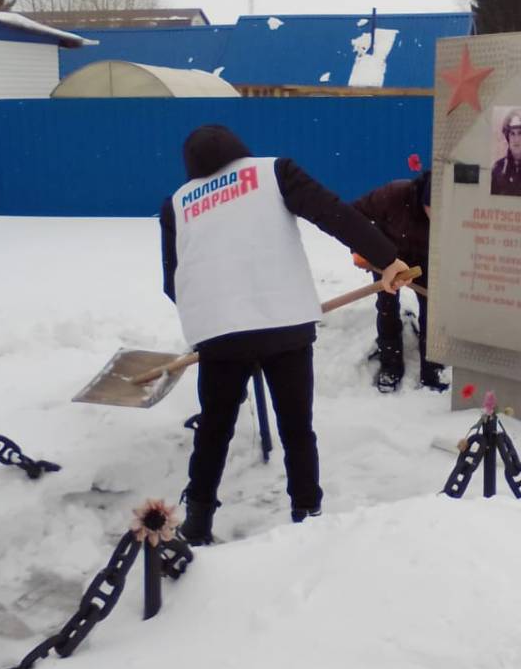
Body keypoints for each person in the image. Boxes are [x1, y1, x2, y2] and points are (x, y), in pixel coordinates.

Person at [160, 125, 409, 545]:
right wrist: (386, 259)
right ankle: (307, 512)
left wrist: (220, 310)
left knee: (214, 429)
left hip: (219, 333)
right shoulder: (274, 172)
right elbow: (333, 213)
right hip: (284, 322)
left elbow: (173, 282)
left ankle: (198, 521)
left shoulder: (177, 205)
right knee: (296, 425)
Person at [352, 164, 446, 393]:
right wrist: (364, 251)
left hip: (425, 261)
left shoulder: (451, 211)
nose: (437, 215)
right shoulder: (394, 195)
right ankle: (390, 364)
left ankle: (432, 368)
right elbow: (352, 217)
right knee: (386, 306)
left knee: (432, 310)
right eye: (431, 208)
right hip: (388, 259)